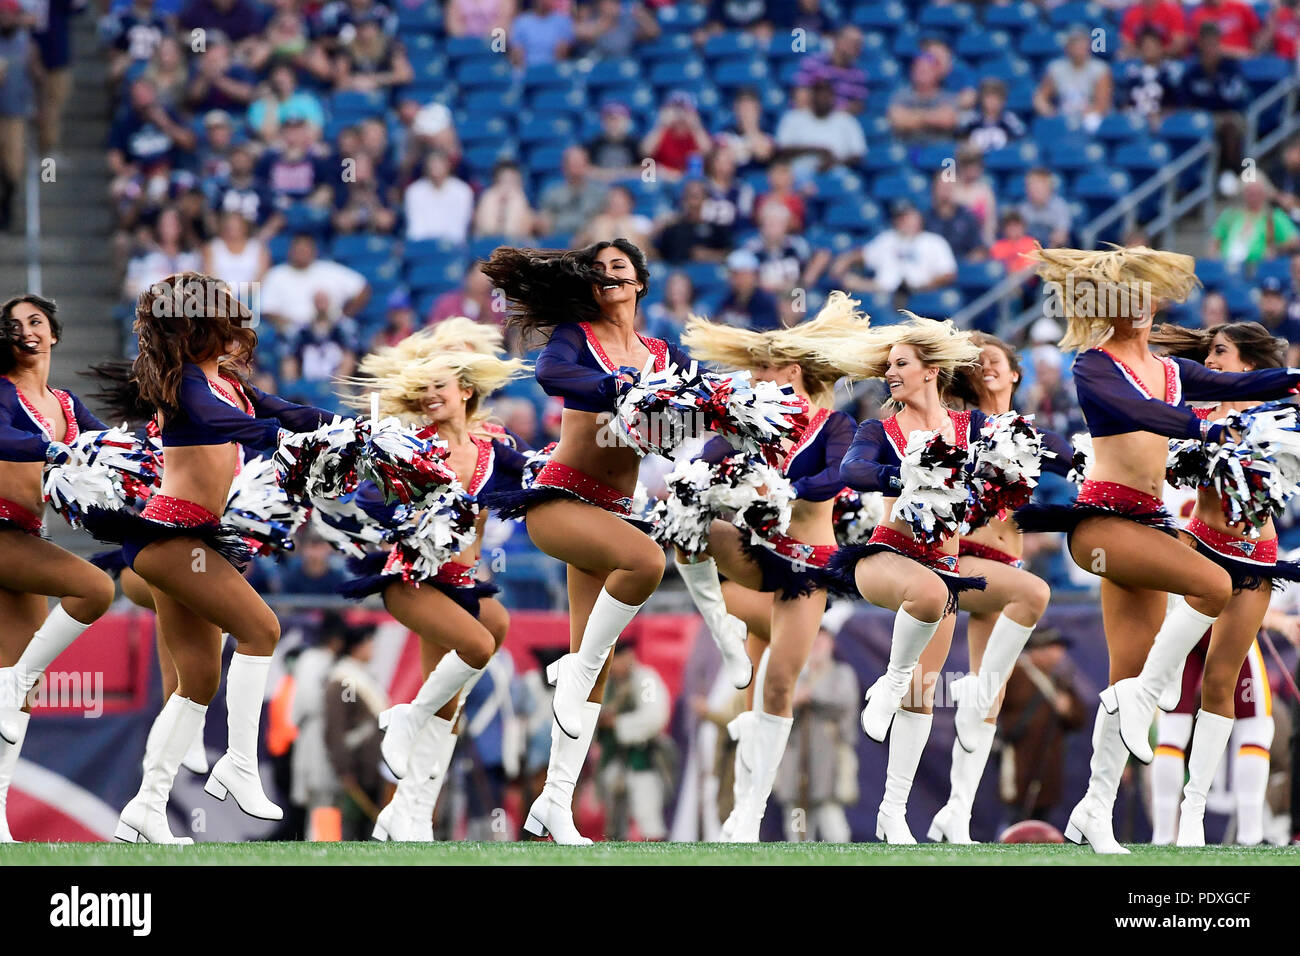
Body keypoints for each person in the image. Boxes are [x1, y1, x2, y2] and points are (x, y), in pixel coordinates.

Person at [1013, 246, 1300, 855]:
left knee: (1123, 678)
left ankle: (1096, 810)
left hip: (1149, 526)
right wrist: (1204, 428)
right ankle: (1148, 696)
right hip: (1101, 527)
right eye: (1127, 297)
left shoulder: (1172, 369)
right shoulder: (1093, 364)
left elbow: (1242, 381)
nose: (1140, 307)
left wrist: (1291, 378)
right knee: (1212, 587)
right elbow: (1134, 411)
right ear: (1107, 307)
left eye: (1145, 297)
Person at [102, 273, 335, 844]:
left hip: (199, 541)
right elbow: (220, 422)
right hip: (169, 537)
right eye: (221, 319)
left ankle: (147, 806)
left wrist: (349, 432)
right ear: (196, 326)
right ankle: (239, 765)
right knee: (262, 629)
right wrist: (275, 436)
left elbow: (293, 412)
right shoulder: (182, 383)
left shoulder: (227, 382)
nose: (235, 330)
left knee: (200, 679)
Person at [479, 239, 690, 844]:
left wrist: (691, 423)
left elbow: (692, 415)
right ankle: (572, 674)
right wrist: (623, 388)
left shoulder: (663, 353)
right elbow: (550, 373)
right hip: (561, 500)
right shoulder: (578, 335)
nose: (609, 277)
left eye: (619, 268)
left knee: (594, 675)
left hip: (615, 511)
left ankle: (554, 804)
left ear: (640, 283)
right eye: (598, 271)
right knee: (647, 562)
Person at [677, 294, 864, 841]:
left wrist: (784, 488)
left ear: (793, 370)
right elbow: (706, 465)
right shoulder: (746, 423)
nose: (753, 375)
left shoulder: (833, 423)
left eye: (762, 366)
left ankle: (749, 813)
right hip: (757, 553)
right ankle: (727, 637)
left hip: (807, 566)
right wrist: (698, 477)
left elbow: (840, 475)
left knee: (778, 686)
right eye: (752, 366)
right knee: (685, 524)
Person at [333, 342, 528, 840]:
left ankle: (407, 817)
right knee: (484, 640)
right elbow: (367, 497)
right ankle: (406, 717)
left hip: (463, 586)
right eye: (423, 388)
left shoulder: (492, 451)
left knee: (451, 713)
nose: (429, 395)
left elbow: (546, 475)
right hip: (413, 581)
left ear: (465, 391)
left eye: (438, 386)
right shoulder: (413, 445)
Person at [829, 316, 989, 844]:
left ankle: (892, 814)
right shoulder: (882, 428)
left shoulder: (973, 428)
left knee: (923, 693)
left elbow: (1021, 464)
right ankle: (889, 681)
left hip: (944, 568)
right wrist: (907, 475)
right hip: (887, 558)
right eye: (889, 366)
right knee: (928, 597)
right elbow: (853, 471)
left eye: (901, 365)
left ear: (932, 371)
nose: (891, 374)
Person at [1147, 322, 1299, 846]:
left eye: (1220, 353)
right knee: (1169, 680)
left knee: (1220, 684)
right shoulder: (1191, 413)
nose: (1209, 361)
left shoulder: (1278, 417)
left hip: (1256, 556)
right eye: (1208, 352)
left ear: (1250, 367)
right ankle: (1155, 676)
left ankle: (1194, 815)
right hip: (1201, 548)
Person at [929, 333, 1073, 843]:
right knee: (1033, 594)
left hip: (1004, 562)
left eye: (995, 361)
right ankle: (972, 697)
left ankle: (956, 814)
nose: (986, 367)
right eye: (976, 363)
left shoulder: (1032, 433)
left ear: (1016, 373)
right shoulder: (957, 425)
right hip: (961, 558)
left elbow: (1070, 464)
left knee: (991, 702)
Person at [0, 296, 116, 842]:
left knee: (18, 693)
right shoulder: (0, 391)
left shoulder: (66, 404)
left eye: (36, 321)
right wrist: (52, 451)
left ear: (53, 334)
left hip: (23, 540)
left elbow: (107, 445)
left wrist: (157, 451)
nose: (25, 331)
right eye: (14, 325)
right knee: (93, 587)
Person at [771, 628, 859, 842]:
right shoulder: (793, 676)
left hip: (828, 768)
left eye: (822, 640)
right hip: (795, 769)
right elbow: (775, 708)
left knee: (835, 831)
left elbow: (842, 701)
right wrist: (795, 699)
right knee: (797, 832)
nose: (817, 645)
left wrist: (811, 693)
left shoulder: (841, 674)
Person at [998, 628, 1088, 823]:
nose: (1060, 654)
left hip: (1049, 766)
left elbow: (1079, 719)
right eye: (1055, 647)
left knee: (1042, 820)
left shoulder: (1060, 679)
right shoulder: (1013, 674)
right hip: (1019, 761)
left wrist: (1068, 709)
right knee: (1015, 818)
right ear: (1038, 649)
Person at [596, 641, 671, 841]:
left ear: (629, 657)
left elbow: (655, 717)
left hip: (642, 757)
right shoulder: (607, 683)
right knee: (613, 818)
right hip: (613, 757)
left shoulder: (646, 679)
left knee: (647, 814)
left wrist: (617, 723)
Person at [324, 623, 389, 840]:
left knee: (368, 829)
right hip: (356, 767)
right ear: (356, 647)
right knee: (353, 829)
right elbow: (337, 729)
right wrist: (345, 769)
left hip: (370, 766)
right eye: (369, 643)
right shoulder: (346, 680)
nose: (373, 648)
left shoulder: (361, 676)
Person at [831, 200, 957, 295]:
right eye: (899, 217)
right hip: (882, 292)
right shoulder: (887, 238)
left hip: (918, 292)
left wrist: (925, 286)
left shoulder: (934, 241)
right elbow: (864, 255)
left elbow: (948, 273)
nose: (903, 221)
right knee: (850, 282)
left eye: (906, 216)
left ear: (918, 217)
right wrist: (845, 260)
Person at [1181, 23, 1249, 196]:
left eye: (1214, 43)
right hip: (1200, 118)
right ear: (1200, 44)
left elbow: (1234, 98)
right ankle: (1189, 184)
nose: (1210, 48)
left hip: (1231, 115)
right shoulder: (1193, 71)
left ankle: (1231, 171)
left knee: (1229, 125)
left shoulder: (1230, 67)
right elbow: (1185, 102)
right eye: (1207, 43)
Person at [260, 233, 370, 333]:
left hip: (332, 330)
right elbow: (268, 310)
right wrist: (291, 325)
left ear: (314, 250)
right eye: (299, 249)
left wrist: (345, 315)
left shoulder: (329, 269)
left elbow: (362, 287)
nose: (302, 252)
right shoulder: (276, 275)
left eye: (306, 248)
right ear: (291, 250)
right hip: (295, 332)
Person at [775, 78, 867, 182]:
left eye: (826, 95)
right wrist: (817, 150)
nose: (822, 98)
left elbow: (859, 154)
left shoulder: (846, 120)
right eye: (818, 94)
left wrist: (834, 162)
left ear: (833, 97)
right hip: (800, 172)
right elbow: (781, 149)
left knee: (848, 180)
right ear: (812, 96)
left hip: (837, 171)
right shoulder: (793, 118)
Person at [1033, 25, 1114, 133]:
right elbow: (1041, 97)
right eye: (1075, 44)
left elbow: (1102, 104)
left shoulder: (1099, 68)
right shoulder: (1056, 68)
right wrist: (1050, 112)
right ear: (1067, 47)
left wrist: (1083, 115)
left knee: (1092, 122)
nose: (1079, 48)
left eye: (1082, 44)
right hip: (1063, 115)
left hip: (1089, 115)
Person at [1210, 175, 1300, 271]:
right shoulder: (1230, 215)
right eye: (1250, 193)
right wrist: (1214, 258)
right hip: (1226, 267)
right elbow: (1214, 243)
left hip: (1258, 269)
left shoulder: (1274, 216)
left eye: (1257, 193)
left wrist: (1277, 250)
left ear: (1264, 194)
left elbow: (1294, 241)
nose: (1253, 197)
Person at [887, 53, 960, 147]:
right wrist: (933, 116)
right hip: (907, 148)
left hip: (939, 149)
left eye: (925, 71)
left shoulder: (947, 96)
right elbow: (898, 120)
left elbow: (947, 120)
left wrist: (912, 116)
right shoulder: (901, 95)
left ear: (936, 72)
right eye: (918, 70)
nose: (920, 74)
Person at [654, 179, 732, 265]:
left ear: (705, 199)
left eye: (696, 197)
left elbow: (729, 254)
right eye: (689, 197)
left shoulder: (716, 228)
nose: (693, 203)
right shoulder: (672, 228)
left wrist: (709, 255)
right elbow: (658, 256)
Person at [537, 146, 608, 240]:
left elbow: (604, 218)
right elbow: (544, 218)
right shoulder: (552, 193)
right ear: (564, 167)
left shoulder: (599, 193)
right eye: (573, 164)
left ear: (587, 165)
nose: (576, 168)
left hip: (589, 239)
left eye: (580, 163)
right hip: (558, 235)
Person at [640, 90, 713, 181]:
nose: (680, 114)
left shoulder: (696, 134)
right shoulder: (662, 132)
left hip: (691, 182)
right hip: (665, 182)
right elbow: (645, 152)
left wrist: (696, 126)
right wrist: (661, 124)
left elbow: (708, 153)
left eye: (684, 109)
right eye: (676, 109)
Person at [404, 149, 474, 243]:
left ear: (448, 166)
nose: (435, 167)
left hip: (453, 244)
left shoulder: (462, 191)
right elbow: (415, 228)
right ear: (426, 167)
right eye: (432, 164)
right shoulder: (414, 191)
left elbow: (459, 227)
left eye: (439, 163)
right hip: (423, 245)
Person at [1117, 27, 1182, 126]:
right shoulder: (1132, 73)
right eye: (1145, 46)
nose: (1148, 49)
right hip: (1134, 120)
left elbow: (1176, 105)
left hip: (1162, 120)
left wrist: (1161, 116)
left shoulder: (1169, 73)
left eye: (1152, 45)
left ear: (1160, 47)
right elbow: (1125, 102)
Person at [713, 249, 781, 332]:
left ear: (754, 275)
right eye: (734, 275)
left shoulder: (766, 302)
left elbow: (764, 331)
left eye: (743, 275)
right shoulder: (727, 298)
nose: (738, 280)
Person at [957, 78, 1027, 155]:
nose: (993, 102)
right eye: (989, 97)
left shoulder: (1010, 120)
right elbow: (959, 138)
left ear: (1003, 100)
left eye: (997, 98)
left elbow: (1021, 139)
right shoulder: (971, 119)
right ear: (982, 99)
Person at [926, 173, 986, 261]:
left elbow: (979, 248)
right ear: (934, 189)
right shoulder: (926, 218)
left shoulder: (967, 216)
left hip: (963, 266)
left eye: (949, 187)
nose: (945, 191)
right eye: (942, 187)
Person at [472, 159, 536, 241]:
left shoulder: (522, 200)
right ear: (495, 183)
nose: (507, 188)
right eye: (503, 182)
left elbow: (521, 233)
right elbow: (486, 229)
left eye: (513, 182)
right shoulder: (487, 197)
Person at [1019, 169, 1072, 249]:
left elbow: (1061, 235)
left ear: (1049, 188)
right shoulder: (1023, 209)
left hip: (1054, 251)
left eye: (1038, 185)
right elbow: (1018, 238)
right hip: (1030, 252)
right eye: (1030, 185)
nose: (1033, 189)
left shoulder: (1059, 206)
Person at [1120, 0, 1190, 57]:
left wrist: (1156, 53)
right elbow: (1127, 44)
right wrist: (1146, 53)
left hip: (1168, 59)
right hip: (1140, 61)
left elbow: (1179, 44)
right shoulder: (1132, 14)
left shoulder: (1172, 11)